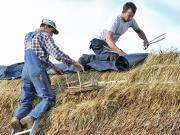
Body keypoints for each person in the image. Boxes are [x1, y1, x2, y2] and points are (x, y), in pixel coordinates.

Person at [10, 19, 84, 132]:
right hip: (37, 70)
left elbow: (39, 55)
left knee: (26, 100)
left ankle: (16, 118)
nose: (52, 35)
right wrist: (73, 62)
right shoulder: (44, 36)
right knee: (49, 98)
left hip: (25, 71)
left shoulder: (28, 36)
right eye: (52, 31)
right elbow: (55, 52)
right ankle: (31, 117)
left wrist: (54, 67)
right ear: (45, 26)